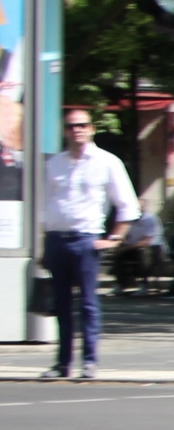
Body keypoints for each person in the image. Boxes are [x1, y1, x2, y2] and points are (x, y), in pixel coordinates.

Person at [39, 107, 139, 381]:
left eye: (82, 125)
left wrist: (114, 238)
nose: (77, 130)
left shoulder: (107, 162)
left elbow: (127, 205)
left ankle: (89, 362)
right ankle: (62, 363)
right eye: (71, 126)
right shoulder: (54, 164)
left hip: (86, 239)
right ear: (65, 131)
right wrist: (42, 245)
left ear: (92, 128)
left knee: (87, 304)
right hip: (57, 239)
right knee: (60, 305)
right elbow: (44, 206)